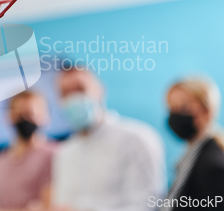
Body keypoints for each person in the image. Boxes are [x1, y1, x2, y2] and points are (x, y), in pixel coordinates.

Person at [52, 67, 166, 211]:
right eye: (65, 93)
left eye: (80, 89)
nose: (73, 98)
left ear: (100, 90)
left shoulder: (136, 139)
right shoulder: (65, 152)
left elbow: (149, 205)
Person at [163, 77, 224, 211]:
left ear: (207, 111)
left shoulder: (213, 167)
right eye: (172, 109)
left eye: (184, 108)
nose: (176, 116)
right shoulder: (189, 162)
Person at [0, 90, 56, 211]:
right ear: (9, 117)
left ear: (45, 116)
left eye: (31, 113)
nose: (25, 119)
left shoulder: (54, 155)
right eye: (19, 114)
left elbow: (48, 207)